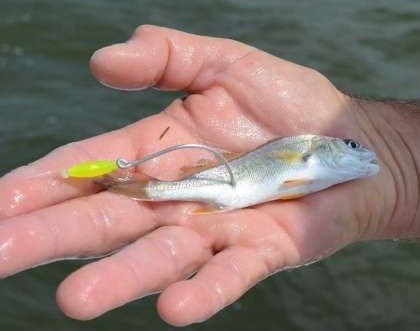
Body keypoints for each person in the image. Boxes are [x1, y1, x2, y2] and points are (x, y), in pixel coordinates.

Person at [0, 25, 418, 327]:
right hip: (228, 184)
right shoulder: (310, 152)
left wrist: (401, 162)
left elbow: (295, 181)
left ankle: (139, 188)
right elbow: (291, 179)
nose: (362, 153)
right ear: (322, 150)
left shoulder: (323, 166)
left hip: (233, 185)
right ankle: (139, 188)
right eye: (351, 146)